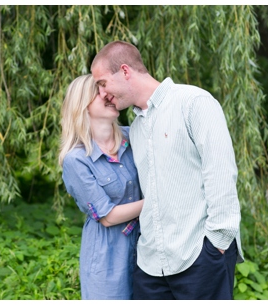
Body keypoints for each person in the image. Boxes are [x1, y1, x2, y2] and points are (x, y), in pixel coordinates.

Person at [90, 41, 244, 300]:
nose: (103, 94)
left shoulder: (194, 103)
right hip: (150, 266)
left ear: (125, 71)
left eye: (103, 83)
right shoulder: (136, 129)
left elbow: (221, 174)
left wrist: (216, 243)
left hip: (199, 257)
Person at [59, 74, 145, 300]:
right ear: (82, 105)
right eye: (100, 92)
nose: (109, 95)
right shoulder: (76, 160)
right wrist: (157, 202)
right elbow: (107, 216)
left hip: (148, 248)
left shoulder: (132, 136)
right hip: (107, 257)